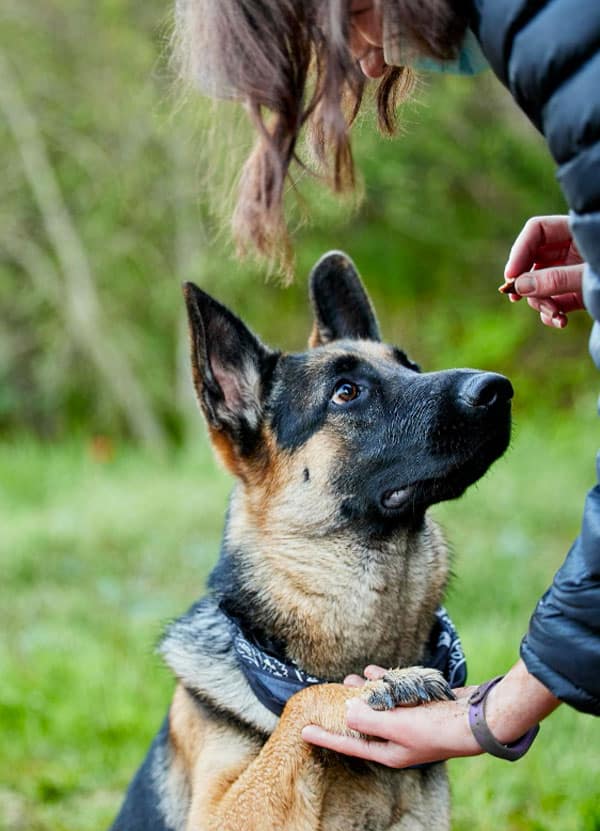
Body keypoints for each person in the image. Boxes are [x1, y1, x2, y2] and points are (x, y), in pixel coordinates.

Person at [174, 0, 600, 765]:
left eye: (336, 46)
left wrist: (503, 707)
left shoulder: (559, 38)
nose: (370, 68)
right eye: (350, 393)